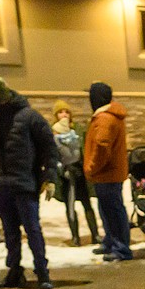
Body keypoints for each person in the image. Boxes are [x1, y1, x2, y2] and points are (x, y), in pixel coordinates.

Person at [0, 75, 59, 289]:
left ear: (1, 98)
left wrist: (50, 177)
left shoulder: (29, 117)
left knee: (32, 230)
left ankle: (42, 271)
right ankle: (14, 271)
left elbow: (49, 148)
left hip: (25, 183)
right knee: (10, 231)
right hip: (1, 185)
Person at [82, 82, 131, 262]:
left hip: (106, 173)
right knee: (109, 209)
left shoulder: (104, 119)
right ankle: (111, 241)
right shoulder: (110, 116)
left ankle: (121, 248)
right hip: (110, 173)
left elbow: (102, 147)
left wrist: (91, 167)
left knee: (112, 211)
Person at [50, 99, 99, 247]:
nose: (64, 114)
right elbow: (52, 154)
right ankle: (75, 237)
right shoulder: (53, 131)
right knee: (70, 206)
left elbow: (85, 148)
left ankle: (95, 234)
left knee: (87, 204)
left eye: (66, 111)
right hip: (65, 175)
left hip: (80, 173)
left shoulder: (77, 130)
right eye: (60, 112)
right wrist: (60, 170)